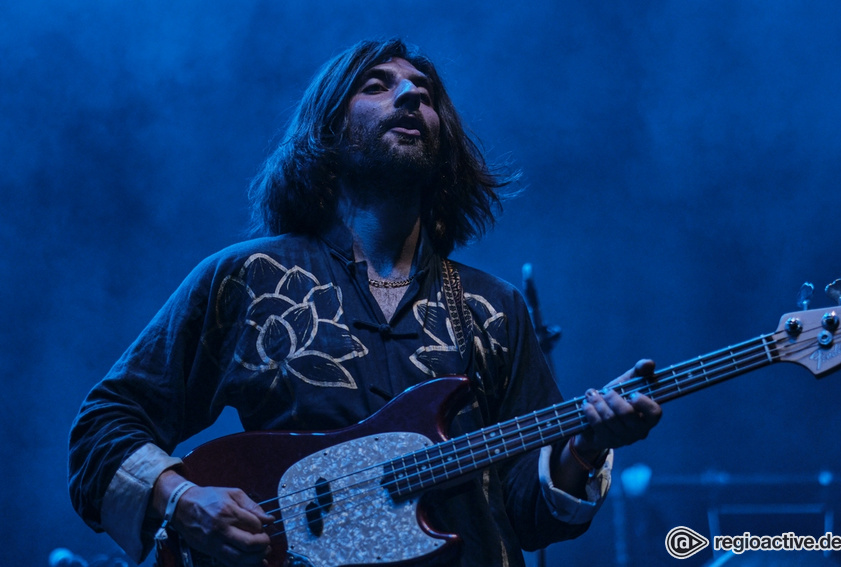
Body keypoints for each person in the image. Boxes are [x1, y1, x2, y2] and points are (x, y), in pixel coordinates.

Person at [69, 38, 662, 567]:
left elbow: (529, 517)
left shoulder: (495, 308)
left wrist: (586, 446)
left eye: (424, 93)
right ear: (328, 131)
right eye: (376, 85)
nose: (408, 95)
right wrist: (183, 499)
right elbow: (103, 427)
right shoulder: (248, 277)